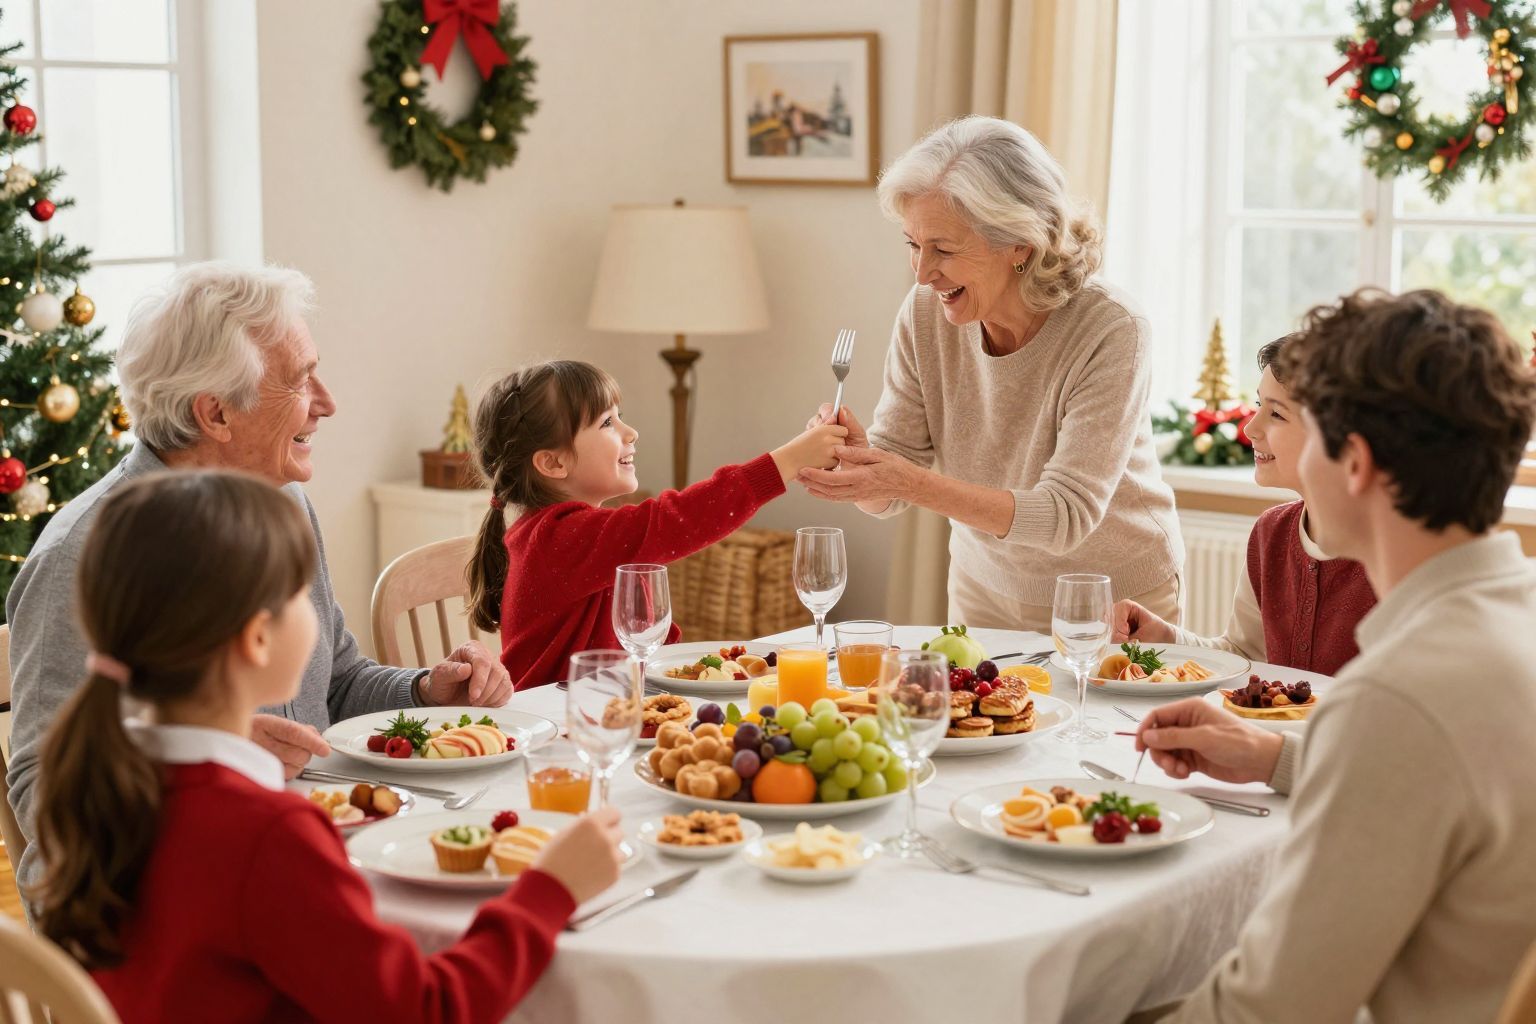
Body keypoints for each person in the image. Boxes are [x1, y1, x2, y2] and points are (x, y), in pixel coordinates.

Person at [28, 470, 624, 1023]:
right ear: (257, 638)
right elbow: (427, 1009)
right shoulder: (268, 836)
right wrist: (551, 890)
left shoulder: (106, 785)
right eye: (298, 596)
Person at [6, 262, 511, 905]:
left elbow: (335, 684)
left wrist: (424, 690)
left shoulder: (283, 505)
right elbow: (45, 804)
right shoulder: (86, 555)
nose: (328, 403)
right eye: (301, 381)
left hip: (297, 857)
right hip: (170, 917)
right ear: (216, 413)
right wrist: (204, 762)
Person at [1131, 288, 1536, 1023]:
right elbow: (1437, 779)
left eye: (1301, 427)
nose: (1260, 431)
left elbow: (1272, 1007)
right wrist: (1274, 755)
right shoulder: (1515, 620)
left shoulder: (1399, 696)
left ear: (1355, 462)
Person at [799, 115, 1183, 633]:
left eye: (944, 249)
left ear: (1020, 243)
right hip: (983, 588)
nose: (922, 272)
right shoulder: (924, 313)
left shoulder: (1111, 329)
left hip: (1111, 595)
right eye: (913, 244)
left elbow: (1064, 515)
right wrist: (860, 467)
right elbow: (888, 492)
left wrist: (908, 481)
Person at [467, 360, 846, 689]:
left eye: (619, 416)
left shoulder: (580, 535)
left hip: (601, 713)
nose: (630, 432)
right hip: (559, 731)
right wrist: (788, 461)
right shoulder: (559, 539)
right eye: (606, 423)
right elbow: (676, 521)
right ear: (553, 464)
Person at [1113, 334, 1376, 674]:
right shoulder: (1272, 532)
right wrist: (1166, 638)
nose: (1251, 428)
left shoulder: (1387, 551)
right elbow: (1243, 655)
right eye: (1257, 407)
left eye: (1277, 414)